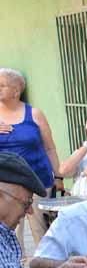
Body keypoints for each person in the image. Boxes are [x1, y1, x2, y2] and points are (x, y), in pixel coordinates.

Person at [0, 68, 59, 248]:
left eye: (1, 85)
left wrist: (59, 175)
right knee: (7, 229)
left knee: (40, 229)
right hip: (5, 185)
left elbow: (49, 147)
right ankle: (11, 267)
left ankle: (45, 265)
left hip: (38, 179)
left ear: (16, 90)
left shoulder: (34, 114)